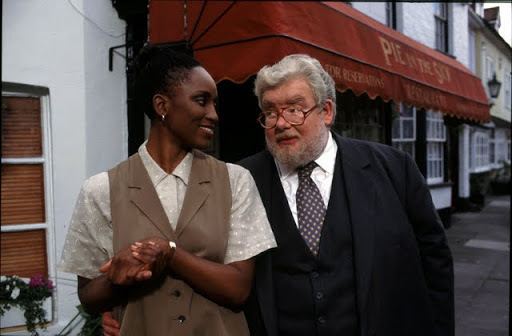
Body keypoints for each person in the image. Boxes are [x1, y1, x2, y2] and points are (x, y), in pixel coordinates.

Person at [59, 44, 276, 336]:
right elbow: (88, 298)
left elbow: (238, 289)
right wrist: (117, 278)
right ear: (162, 106)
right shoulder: (100, 190)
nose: (214, 114)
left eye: (214, 103)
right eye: (202, 101)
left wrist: (170, 254)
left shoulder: (235, 181)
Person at [238, 54, 454, 336]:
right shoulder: (244, 178)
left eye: (294, 109)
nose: (280, 123)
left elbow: (435, 265)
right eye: (270, 112)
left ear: (326, 111)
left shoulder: (395, 170)